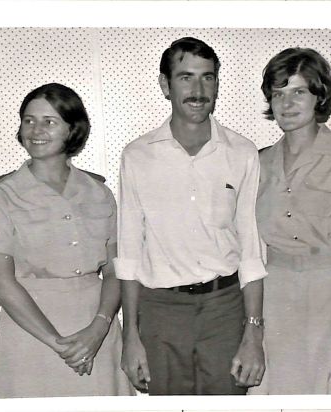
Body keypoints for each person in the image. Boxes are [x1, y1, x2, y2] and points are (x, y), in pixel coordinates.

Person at [116, 37, 267, 395]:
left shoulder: (242, 152)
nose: (198, 90)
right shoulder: (137, 156)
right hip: (160, 312)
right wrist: (130, 337)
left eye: (207, 77)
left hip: (225, 309)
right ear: (165, 85)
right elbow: (129, 253)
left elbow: (250, 249)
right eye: (186, 77)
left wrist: (253, 333)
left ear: (217, 83)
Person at [0, 83, 135, 398]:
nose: (36, 130)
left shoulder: (98, 192)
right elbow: (1, 284)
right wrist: (58, 344)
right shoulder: (2, 195)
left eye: (49, 121)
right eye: (28, 120)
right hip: (33, 337)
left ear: (72, 129)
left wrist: (99, 328)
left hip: (97, 332)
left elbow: (116, 270)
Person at [249, 47, 331, 395]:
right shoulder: (258, 163)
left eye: (298, 92)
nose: (286, 104)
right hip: (277, 299)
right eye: (278, 94)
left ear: (319, 95)